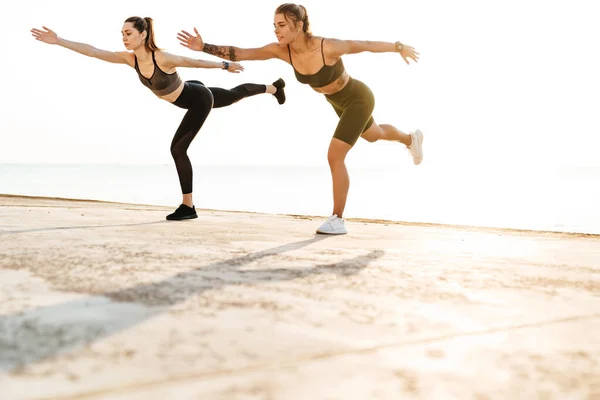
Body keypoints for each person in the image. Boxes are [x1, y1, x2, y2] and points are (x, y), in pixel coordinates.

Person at [177, 4, 422, 234]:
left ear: (299, 24)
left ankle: (337, 219)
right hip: (337, 102)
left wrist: (398, 47)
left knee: (335, 155)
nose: (276, 30)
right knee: (374, 135)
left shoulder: (327, 47)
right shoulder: (282, 51)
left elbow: (364, 44)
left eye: (282, 24)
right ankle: (410, 139)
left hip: (358, 97)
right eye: (274, 25)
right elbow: (241, 53)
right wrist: (204, 46)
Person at [31, 16, 286, 221]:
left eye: (128, 33)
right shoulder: (128, 59)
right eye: (122, 33)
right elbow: (94, 51)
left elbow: (192, 61)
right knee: (231, 96)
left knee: (178, 149)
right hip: (187, 93)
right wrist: (58, 40)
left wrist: (225, 65)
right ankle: (274, 87)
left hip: (196, 98)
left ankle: (188, 206)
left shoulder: (161, 57)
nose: (124, 37)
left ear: (143, 35)